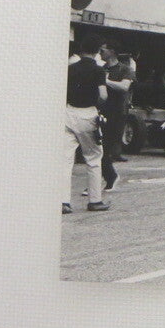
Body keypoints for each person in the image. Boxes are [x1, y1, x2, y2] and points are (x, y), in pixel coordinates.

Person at [64, 32, 111, 214]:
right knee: (93, 158)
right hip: (88, 114)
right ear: (98, 51)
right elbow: (103, 96)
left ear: (82, 50)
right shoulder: (98, 70)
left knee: (66, 159)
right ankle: (95, 200)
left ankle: (63, 201)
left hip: (68, 113)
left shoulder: (70, 68)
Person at [100, 40, 133, 179]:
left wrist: (105, 81)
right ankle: (106, 176)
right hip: (101, 111)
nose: (100, 52)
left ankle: (108, 176)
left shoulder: (125, 69)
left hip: (117, 111)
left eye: (103, 50)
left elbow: (124, 87)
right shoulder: (101, 68)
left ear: (112, 51)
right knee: (100, 147)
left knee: (106, 147)